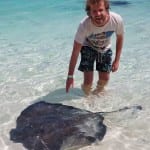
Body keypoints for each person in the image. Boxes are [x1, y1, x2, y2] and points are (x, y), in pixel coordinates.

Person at [66, 0, 124, 96]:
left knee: (105, 79)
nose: (98, 14)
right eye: (94, 11)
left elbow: (120, 38)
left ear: (107, 9)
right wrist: (70, 76)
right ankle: (87, 96)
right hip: (88, 46)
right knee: (88, 81)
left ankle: (98, 94)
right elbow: (75, 51)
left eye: (101, 10)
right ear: (89, 12)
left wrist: (117, 60)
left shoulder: (116, 20)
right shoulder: (84, 25)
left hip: (105, 47)